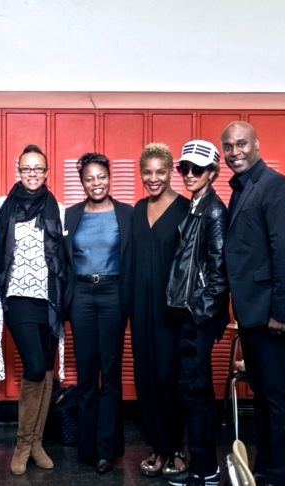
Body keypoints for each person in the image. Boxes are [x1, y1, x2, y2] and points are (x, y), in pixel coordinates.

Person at [221, 121, 285, 486]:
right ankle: (266, 466)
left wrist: (280, 313)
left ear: (257, 144)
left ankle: (281, 475)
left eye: (241, 144)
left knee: (277, 398)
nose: (235, 152)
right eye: (228, 146)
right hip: (252, 313)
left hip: (271, 315)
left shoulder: (277, 187)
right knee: (264, 393)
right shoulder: (242, 189)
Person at [0, 144, 68, 475]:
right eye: (27, 168)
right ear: (18, 171)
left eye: (39, 168)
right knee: (36, 366)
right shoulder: (3, 207)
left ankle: (37, 442)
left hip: (50, 301)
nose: (33, 174)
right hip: (18, 298)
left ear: (47, 172)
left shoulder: (58, 210)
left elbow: (66, 258)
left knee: (49, 370)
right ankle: (22, 443)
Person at [64, 152, 133, 474]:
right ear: (82, 182)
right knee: (87, 373)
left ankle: (108, 448)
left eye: (101, 177)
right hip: (81, 294)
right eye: (89, 178)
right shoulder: (72, 215)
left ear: (110, 178)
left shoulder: (126, 214)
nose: (96, 183)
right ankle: (88, 447)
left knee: (111, 372)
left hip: (112, 293)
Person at [166, 141, 229, 486]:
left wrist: (198, 313)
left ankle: (206, 470)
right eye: (184, 168)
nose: (189, 175)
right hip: (188, 313)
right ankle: (202, 465)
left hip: (198, 316)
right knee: (192, 390)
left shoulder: (214, 211)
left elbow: (220, 274)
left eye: (197, 169)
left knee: (197, 392)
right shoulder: (196, 206)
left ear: (212, 173)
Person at [132, 143, 189, 478]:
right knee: (146, 378)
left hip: (173, 312)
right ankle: (156, 446)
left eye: (160, 172)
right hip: (141, 310)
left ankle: (175, 448)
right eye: (148, 172)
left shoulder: (186, 209)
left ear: (171, 172)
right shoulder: (137, 210)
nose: (153, 178)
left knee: (171, 379)